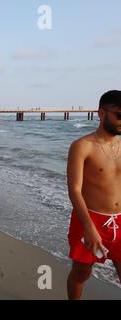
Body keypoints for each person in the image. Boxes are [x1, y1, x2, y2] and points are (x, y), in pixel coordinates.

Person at [67, 90, 121, 300]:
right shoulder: (82, 146)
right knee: (82, 273)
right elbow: (74, 189)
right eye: (119, 115)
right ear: (101, 113)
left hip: (119, 220)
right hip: (91, 220)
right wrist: (89, 228)